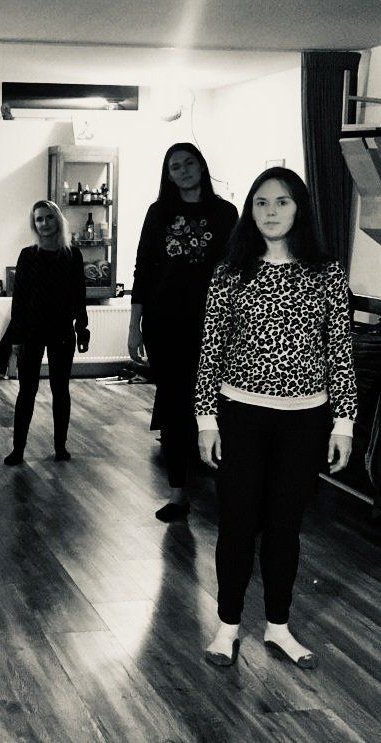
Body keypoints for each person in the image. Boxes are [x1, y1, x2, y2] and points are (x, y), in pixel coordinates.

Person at [196, 167, 356, 668]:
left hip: (305, 420)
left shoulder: (326, 273)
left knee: (285, 527)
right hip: (240, 415)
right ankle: (227, 627)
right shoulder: (231, 272)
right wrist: (206, 419)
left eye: (282, 202)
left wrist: (344, 423)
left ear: (299, 208)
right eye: (261, 202)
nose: (270, 211)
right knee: (238, 525)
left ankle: (278, 626)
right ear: (250, 210)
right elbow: (210, 350)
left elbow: (340, 352)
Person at [128, 143, 237, 521]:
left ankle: (229, 492)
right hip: (165, 325)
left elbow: (238, 269)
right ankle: (178, 495)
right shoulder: (158, 212)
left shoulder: (225, 213)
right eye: (176, 166)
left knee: (219, 407)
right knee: (175, 409)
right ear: (168, 174)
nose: (184, 170)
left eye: (189, 163)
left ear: (202, 166)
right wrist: (134, 326)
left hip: (213, 324)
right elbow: (143, 268)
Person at [4, 199, 89, 466]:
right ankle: (18, 449)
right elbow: (19, 300)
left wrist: (82, 328)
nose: (44, 223)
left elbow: (79, 295)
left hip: (62, 331)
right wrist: (16, 337)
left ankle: (60, 447)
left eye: (48, 217)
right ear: (34, 224)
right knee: (26, 391)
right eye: (39, 219)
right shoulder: (28, 256)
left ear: (58, 220)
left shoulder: (73, 255)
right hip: (31, 332)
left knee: (60, 390)